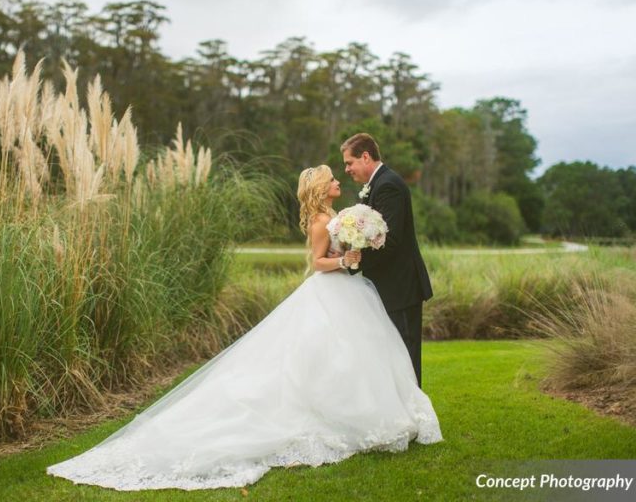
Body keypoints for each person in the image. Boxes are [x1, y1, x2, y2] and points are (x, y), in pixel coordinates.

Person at [46, 165, 442, 491]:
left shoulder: (339, 216)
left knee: (352, 356)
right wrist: (345, 261)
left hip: (349, 291)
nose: (340, 179)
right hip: (331, 289)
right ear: (322, 188)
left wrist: (355, 252)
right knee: (324, 357)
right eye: (333, 178)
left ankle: (363, 411)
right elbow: (317, 261)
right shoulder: (322, 221)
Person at [342, 133, 433, 388]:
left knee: (405, 352)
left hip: (401, 287)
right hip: (389, 287)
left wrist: (356, 261)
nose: (347, 169)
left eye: (349, 163)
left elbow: (390, 242)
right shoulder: (377, 184)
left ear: (366, 157)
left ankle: (415, 416)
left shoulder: (388, 185)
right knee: (391, 354)